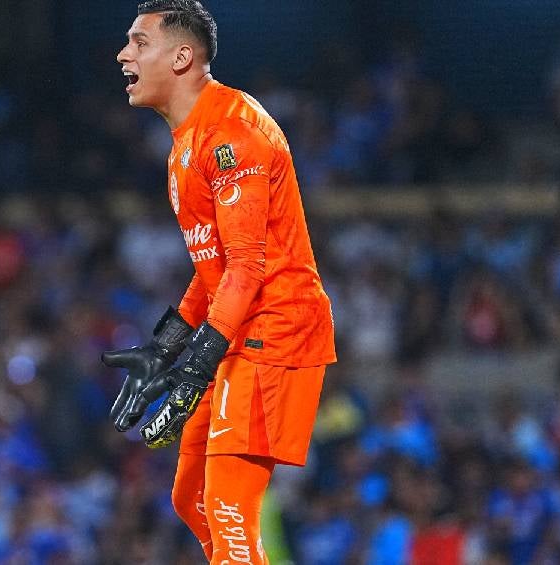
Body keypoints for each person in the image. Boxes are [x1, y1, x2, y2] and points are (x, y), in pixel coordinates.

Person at [102, 1, 337, 563]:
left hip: (277, 331)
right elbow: (216, 265)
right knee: (191, 499)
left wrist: (196, 366)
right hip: (239, 331)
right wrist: (165, 348)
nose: (123, 54)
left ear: (182, 57)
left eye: (139, 43)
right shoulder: (185, 143)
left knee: (229, 504)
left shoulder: (234, 134)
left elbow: (247, 267)